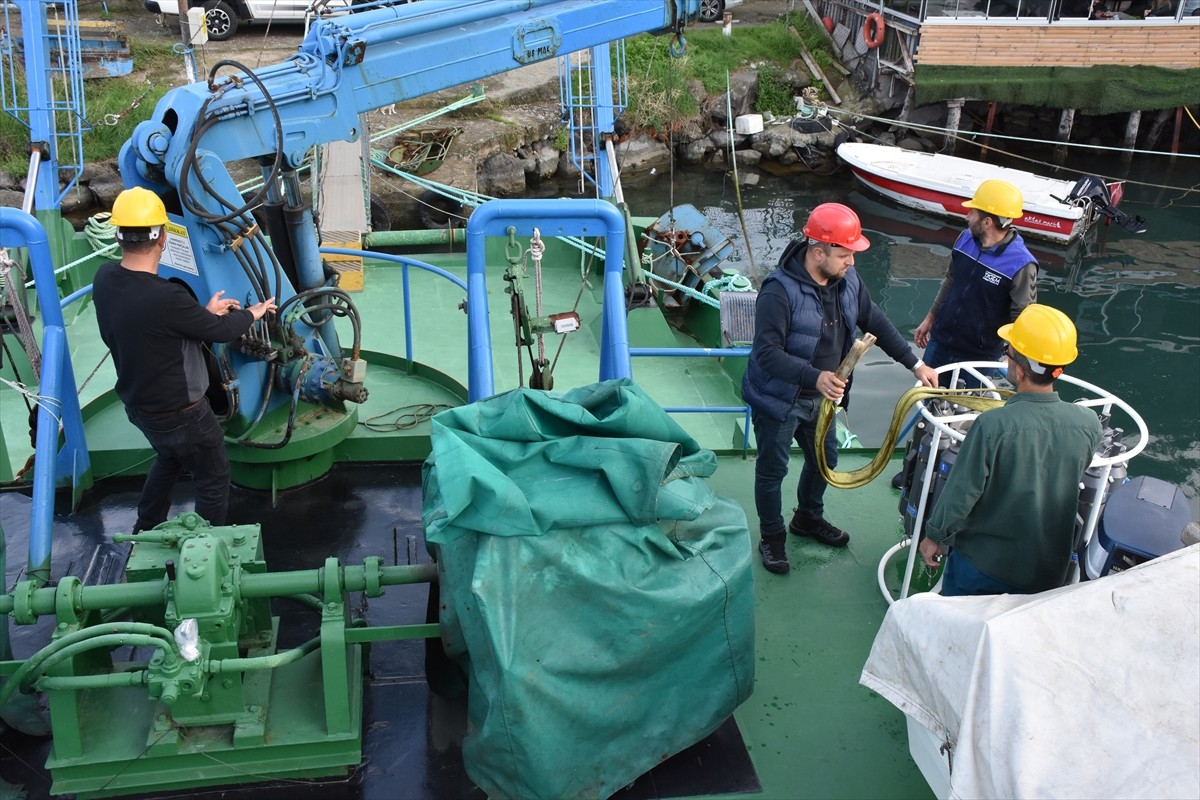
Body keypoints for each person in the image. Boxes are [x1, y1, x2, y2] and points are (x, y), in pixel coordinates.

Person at [742, 203, 939, 575]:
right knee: (772, 471)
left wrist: (915, 364)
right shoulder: (777, 292)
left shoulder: (848, 280)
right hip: (779, 400)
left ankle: (807, 518)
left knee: (825, 461)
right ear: (819, 252)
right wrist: (814, 376)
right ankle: (772, 537)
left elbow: (874, 320)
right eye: (846, 253)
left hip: (824, 399)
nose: (852, 261)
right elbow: (766, 354)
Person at [93, 187, 277, 532]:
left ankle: (146, 527)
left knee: (169, 458)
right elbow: (221, 332)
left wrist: (200, 314)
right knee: (213, 478)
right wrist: (253, 313)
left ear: (118, 235)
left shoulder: (104, 280)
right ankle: (205, 550)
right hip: (183, 415)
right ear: (162, 238)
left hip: (139, 407)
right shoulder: (167, 297)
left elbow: (155, 325)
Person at [918, 304, 1102, 596]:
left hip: (984, 567)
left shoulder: (992, 426)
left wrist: (934, 536)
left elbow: (960, 495)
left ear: (1019, 367)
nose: (1005, 356)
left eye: (1009, 351)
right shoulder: (1089, 424)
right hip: (1048, 571)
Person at [914, 179, 1038, 387]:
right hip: (941, 341)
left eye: (971, 212)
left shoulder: (1021, 264)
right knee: (927, 398)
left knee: (966, 411)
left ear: (987, 222)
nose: (966, 216)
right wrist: (930, 318)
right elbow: (950, 280)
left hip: (980, 357)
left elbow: (1024, 315)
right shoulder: (964, 239)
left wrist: (1014, 354)